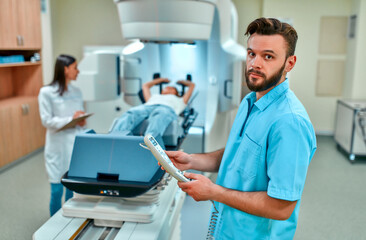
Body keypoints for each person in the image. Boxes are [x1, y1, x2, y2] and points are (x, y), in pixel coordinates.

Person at [165, 18, 317, 239]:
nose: (255, 63)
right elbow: (238, 156)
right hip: (225, 228)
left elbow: (281, 208)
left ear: (290, 63)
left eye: (268, 56)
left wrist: (213, 192)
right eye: (251, 54)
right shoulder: (249, 102)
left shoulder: (289, 122)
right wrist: (191, 160)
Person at [38, 54, 86, 216]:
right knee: (56, 191)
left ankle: (68, 224)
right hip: (57, 146)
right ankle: (54, 226)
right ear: (65, 69)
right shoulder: (46, 92)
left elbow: (78, 116)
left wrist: (81, 120)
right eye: (75, 67)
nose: (78, 71)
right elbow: (46, 121)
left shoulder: (77, 91)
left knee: (71, 191)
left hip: (75, 144)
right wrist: (70, 119)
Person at [111, 77, 195, 137]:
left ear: (177, 93)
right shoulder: (153, 97)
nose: (168, 88)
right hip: (148, 106)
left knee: (159, 116)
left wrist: (183, 82)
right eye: (167, 87)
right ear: (162, 91)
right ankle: (116, 137)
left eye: (172, 88)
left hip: (166, 109)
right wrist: (161, 80)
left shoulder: (180, 100)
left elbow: (192, 85)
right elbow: (146, 86)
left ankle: (150, 142)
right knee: (131, 112)